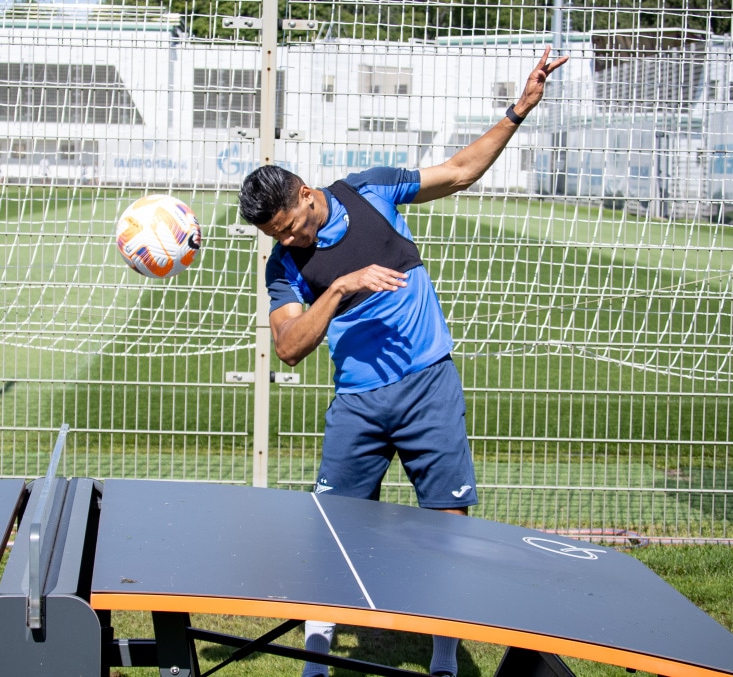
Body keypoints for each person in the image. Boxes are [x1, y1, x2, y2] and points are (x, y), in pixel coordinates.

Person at [237, 48, 567, 677]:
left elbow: (461, 171)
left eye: (291, 226)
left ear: (306, 194)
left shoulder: (371, 189)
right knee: (333, 532)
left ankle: (443, 660)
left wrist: (517, 111)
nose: (288, 239)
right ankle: (315, 663)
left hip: (428, 387)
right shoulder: (284, 266)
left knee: (448, 527)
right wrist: (338, 287)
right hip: (359, 403)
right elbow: (289, 348)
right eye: (276, 235)